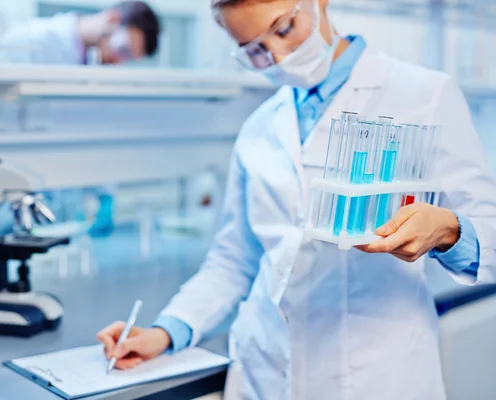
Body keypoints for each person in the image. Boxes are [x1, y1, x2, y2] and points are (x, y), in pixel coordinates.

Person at [97, 0, 496, 398]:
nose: (279, 56)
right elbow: (234, 259)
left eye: (284, 28)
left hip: (375, 370)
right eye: (255, 50)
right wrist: (168, 330)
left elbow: (489, 231)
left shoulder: (423, 94)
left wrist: (448, 230)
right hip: (266, 365)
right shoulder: (258, 126)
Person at [3, 1, 161, 65]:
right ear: (113, 19)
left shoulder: (87, 61)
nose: (118, 60)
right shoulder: (34, 39)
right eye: (123, 48)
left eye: (128, 57)